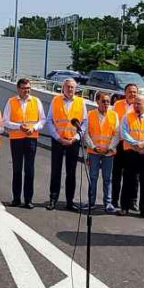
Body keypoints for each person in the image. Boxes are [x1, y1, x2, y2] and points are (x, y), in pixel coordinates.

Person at [3, 78, 45, 208]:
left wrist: (33, 128)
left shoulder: (36, 101)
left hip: (31, 138)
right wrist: (18, 126)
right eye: (23, 88)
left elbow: (42, 120)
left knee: (29, 169)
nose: (26, 90)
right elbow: (5, 121)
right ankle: (16, 198)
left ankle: (28, 199)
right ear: (18, 89)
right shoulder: (11, 102)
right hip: (16, 139)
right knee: (17, 169)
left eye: (28, 88)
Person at [45, 78, 85, 210]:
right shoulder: (56, 100)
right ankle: (53, 198)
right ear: (63, 88)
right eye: (67, 87)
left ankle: (69, 201)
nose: (70, 89)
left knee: (71, 172)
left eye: (72, 87)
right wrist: (57, 137)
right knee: (56, 170)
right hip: (58, 141)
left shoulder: (80, 102)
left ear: (76, 89)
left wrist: (76, 137)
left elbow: (84, 122)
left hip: (73, 141)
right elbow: (49, 120)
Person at [118, 94, 144, 217]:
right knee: (128, 180)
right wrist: (136, 145)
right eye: (134, 103)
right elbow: (124, 133)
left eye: (138, 103)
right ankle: (124, 207)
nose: (136, 105)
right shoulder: (127, 117)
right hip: (131, 152)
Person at [81, 92, 119, 213]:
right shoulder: (90, 114)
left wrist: (111, 147)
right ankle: (91, 202)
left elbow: (117, 134)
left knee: (107, 178)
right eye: (104, 101)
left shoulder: (114, 115)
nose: (106, 104)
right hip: (94, 152)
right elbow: (86, 133)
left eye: (108, 101)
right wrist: (93, 147)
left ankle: (107, 203)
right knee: (93, 177)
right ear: (97, 101)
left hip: (108, 152)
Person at [110, 83, 139, 206]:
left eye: (134, 92)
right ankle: (114, 200)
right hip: (120, 144)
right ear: (125, 93)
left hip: (134, 146)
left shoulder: (141, 106)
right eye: (130, 92)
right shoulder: (117, 105)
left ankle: (132, 201)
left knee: (134, 174)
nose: (132, 94)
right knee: (116, 173)